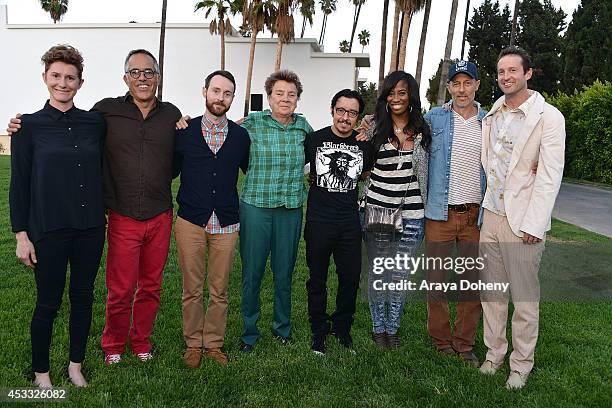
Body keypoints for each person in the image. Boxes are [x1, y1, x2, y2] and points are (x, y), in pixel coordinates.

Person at [7, 49, 182, 365]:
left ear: (157, 77)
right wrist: (21, 126)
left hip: (157, 212)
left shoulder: (170, 115)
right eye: (135, 72)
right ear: (125, 77)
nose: (142, 78)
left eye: (149, 72)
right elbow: (28, 173)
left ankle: (141, 341)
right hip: (118, 213)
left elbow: (178, 159)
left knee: (149, 286)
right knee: (119, 288)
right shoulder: (104, 113)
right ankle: (113, 345)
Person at [10, 45, 106, 388]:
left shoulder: (94, 123)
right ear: (45, 78)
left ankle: (75, 366)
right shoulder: (28, 126)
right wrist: (22, 236)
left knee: (83, 298)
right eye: (56, 76)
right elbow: (18, 185)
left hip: (90, 228)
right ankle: (41, 372)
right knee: (47, 302)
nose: (63, 83)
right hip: (48, 229)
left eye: (70, 77)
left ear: (80, 82)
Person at [478, 46, 565, 389]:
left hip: (523, 222)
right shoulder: (494, 113)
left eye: (513, 70)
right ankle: (493, 355)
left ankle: (521, 365)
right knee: (492, 294)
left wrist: (534, 224)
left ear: (528, 74)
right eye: (501, 72)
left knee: (525, 300)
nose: (506, 77)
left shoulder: (549, 117)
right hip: (492, 216)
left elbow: (549, 176)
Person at [173, 70, 249, 367]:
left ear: (232, 98)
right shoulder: (184, 131)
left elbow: (247, 169)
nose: (221, 97)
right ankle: (193, 343)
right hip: (191, 220)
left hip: (227, 222)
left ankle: (214, 343)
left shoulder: (241, 137)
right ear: (205, 91)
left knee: (219, 289)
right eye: (216, 91)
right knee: (192, 288)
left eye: (227, 93)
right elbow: (170, 169)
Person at [238, 70, 313, 352]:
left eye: (291, 94)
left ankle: (282, 328)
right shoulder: (252, 123)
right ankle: (249, 332)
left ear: (297, 99)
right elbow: (224, 136)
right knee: (252, 272)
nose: (285, 99)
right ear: (269, 97)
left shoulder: (304, 128)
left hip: (290, 209)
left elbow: (323, 149)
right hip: (256, 208)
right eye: (279, 93)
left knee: (284, 273)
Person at [423, 61, 486, 367]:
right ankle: (441, 340)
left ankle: (464, 342)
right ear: (448, 88)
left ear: (476, 85)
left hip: (476, 216)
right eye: (456, 84)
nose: (462, 89)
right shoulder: (435, 118)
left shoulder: (490, 121)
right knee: (436, 281)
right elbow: (403, 130)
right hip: (440, 214)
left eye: (467, 83)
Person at [304, 89, 373, 355]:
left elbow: (365, 174)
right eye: (341, 111)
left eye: (352, 113)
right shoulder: (314, 140)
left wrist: (368, 128)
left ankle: (342, 329)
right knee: (317, 279)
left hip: (348, 223)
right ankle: (319, 331)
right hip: (319, 221)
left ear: (357, 117)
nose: (345, 118)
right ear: (332, 110)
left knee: (349, 278)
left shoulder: (364, 143)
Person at [364, 71, 430, 349]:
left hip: (413, 214)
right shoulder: (373, 128)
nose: (396, 98)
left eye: (402, 93)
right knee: (380, 272)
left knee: (400, 275)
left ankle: (393, 328)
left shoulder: (423, 129)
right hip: (378, 211)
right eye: (391, 93)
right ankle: (379, 329)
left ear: (411, 95)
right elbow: (362, 167)